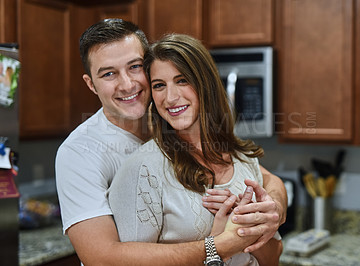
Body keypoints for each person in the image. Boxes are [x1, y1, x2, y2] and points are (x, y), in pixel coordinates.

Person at [55, 18, 287, 265]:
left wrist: (273, 208)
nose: (127, 84)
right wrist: (223, 244)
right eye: (109, 73)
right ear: (91, 84)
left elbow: (262, 176)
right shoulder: (80, 152)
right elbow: (102, 258)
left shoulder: (179, 125)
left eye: (134, 67)